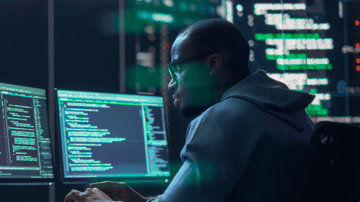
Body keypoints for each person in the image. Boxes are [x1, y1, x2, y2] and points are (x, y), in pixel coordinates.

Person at [65, 18, 316, 202]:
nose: (172, 84)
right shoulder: (295, 116)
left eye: (176, 70)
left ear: (212, 64)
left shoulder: (224, 118)